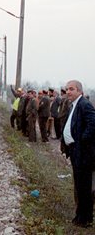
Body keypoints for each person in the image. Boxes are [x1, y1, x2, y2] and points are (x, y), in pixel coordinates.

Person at [60, 80, 95, 228]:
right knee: (79, 186)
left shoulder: (84, 105)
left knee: (84, 187)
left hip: (84, 154)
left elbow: (93, 124)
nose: (68, 92)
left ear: (79, 91)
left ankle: (85, 219)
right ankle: (80, 215)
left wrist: (82, 141)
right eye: (67, 89)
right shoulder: (73, 105)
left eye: (71, 89)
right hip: (75, 152)